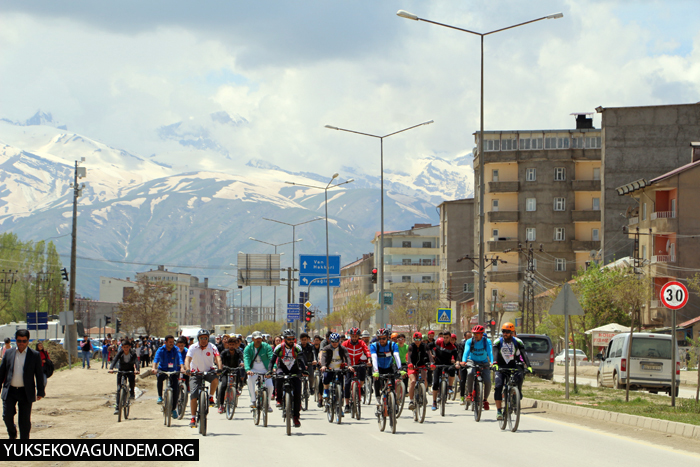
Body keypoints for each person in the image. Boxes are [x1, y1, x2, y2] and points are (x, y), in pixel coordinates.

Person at [0, 330, 45, 439]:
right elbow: (1, 372)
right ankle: (12, 433)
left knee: (24, 420)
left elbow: (39, 374)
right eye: (19, 340)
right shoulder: (9, 353)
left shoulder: (34, 355)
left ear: (28, 341)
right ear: (16, 340)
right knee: (6, 416)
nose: (21, 343)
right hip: (10, 391)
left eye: (24, 341)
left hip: (26, 391)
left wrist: (40, 391)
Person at [492, 322, 532, 421]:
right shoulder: (498, 342)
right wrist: (495, 363)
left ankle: (515, 394)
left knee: (520, 375)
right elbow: (495, 353)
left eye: (507, 332)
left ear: (512, 332)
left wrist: (529, 365)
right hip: (501, 366)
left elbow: (523, 354)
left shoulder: (518, 342)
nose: (505, 334)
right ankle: (499, 411)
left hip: (513, 365)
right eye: (503, 331)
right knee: (498, 386)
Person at [184, 329, 222, 428]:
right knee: (193, 395)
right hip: (195, 372)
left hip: (208, 371)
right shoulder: (193, 347)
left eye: (206, 338)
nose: (204, 340)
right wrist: (188, 369)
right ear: (198, 339)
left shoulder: (212, 347)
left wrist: (220, 368)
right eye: (202, 338)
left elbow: (218, 358)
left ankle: (210, 396)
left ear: (208, 338)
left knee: (215, 379)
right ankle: (193, 418)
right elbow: (187, 359)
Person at [270, 329, 307, 428]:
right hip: (282, 369)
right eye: (289, 339)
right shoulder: (279, 348)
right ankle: (279, 399)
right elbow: (272, 360)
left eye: (292, 339)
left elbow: (302, 359)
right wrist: (270, 370)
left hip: (295, 371)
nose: (291, 341)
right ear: (285, 339)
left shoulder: (297, 347)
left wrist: (304, 370)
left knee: (298, 394)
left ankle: (296, 417)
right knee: (278, 378)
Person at [370, 329, 402, 415]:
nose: (381, 340)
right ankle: (378, 399)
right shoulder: (374, 345)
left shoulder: (393, 345)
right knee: (376, 380)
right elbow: (374, 358)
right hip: (379, 367)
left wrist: (400, 368)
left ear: (387, 338)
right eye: (379, 338)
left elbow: (396, 356)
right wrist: (376, 370)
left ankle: (394, 402)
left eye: (383, 338)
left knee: (392, 385)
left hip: (389, 367)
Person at [152, 335, 184, 419]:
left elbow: (180, 359)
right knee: (159, 378)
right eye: (170, 342)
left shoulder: (176, 349)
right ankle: (159, 396)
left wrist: (182, 367)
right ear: (165, 342)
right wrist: (153, 368)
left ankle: (173, 409)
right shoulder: (161, 350)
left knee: (176, 389)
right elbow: (156, 360)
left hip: (172, 371)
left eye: (173, 342)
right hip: (162, 370)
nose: (171, 344)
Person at [462, 325, 493, 411]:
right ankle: (469, 393)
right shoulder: (469, 341)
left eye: (477, 334)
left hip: (484, 362)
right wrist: (464, 361)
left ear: (482, 334)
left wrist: (493, 362)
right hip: (472, 360)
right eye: (474, 333)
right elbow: (466, 352)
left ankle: (485, 400)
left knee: (487, 381)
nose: (475, 335)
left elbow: (490, 352)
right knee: (470, 372)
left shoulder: (487, 341)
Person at [243, 331, 274, 413]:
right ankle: (253, 400)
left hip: (266, 370)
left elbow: (271, 357)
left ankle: (268, 404)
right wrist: (248, 370)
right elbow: (246, 359)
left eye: (260, 338)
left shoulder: (266, 346)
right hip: (253, 370)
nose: (258, 340)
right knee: (250, 379)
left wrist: (273, 368)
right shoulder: (248, 348)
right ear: (253, 339)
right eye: (256, 339)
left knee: (270, 386)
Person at [319, 332, 351, 409]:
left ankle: (340, 408)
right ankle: (326, 391)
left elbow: (347, 357)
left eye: (336, 341)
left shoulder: (342, 349)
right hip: (330, 369)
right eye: (332, 341)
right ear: (330, 341)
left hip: (339, 369)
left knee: (341, 389)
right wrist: (323, 366)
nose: (334, 343)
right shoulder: (326, 348)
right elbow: (323, 357)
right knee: (326, 377)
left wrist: (349, 366)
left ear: (339, 341)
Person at [342, 327, 371, 413]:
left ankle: (360, 387)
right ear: (350, 336)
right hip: (348, 365)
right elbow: (341, 352)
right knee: (347, 384)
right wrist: (343, 363)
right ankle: (347, 405)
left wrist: (369, 359)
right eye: (352, 336)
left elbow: (366, 351)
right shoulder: (345, 343)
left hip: (358, 363)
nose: (354, 338)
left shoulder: (361, 343)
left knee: (362, 376)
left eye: (356, 336)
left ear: (358, 336)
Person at [108, 339, 139, 415]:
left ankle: (132, 392)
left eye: (127, 347)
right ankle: (117, 407)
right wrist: (111, 368)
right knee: (119, 389)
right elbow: (115, 360)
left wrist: (137, 369)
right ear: (122, 347)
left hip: (130, 370)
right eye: (124, 347)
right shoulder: (120, 353)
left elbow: (136, 361)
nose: (125, 349)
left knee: (132, 380)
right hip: (121, 371)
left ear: (129, 347)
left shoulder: (133, 353)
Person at [431, 335, 459, 411]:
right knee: (436, 383)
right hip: (438, 365)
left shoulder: (452, 346)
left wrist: (457, 363)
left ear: (450, 338)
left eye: (447, 338)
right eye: (444, 337)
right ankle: (434, 402)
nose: (446, 339)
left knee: (452, 370)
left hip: (448, 364)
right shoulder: (438, 342)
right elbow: (430, 348)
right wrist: (432, 356)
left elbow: (456, 357)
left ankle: (449, 387)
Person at [217, 336, 244, 414]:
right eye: (230, 344)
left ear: (236, 345)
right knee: (223, 385)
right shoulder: (224, 352)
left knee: (239, 374)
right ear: (228, 344)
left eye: (233, 344)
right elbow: (220, 359)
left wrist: (243, 363)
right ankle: (221, 405)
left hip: (235, 370)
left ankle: (236, 389)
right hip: (226, 370)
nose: (231, 346)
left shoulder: (238, 352)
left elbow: (242, 358)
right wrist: (220, 365)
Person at [406, 331, 432, 410]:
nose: (417, 341)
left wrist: (432, 363)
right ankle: (411, 401)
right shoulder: (411, 346)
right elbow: (409, 355)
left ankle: (423, 394)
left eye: (419, 339)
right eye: (415, 339)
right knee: (413, 381)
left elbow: (429, 355)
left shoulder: (425, 346)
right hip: (412, 366)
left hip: (422, 365)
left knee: (424, 379)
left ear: (421, 339)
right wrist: (410, 363)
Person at [457, 331, 472, 404]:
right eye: (468, 337)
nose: (470, 338)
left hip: (472, 363)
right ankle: (462, 396)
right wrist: (461, 362)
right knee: (462, 380)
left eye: (471, 337)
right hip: (463, 364)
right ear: (464, 337)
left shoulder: (474, 343)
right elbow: (460, 353)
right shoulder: (462, 344)